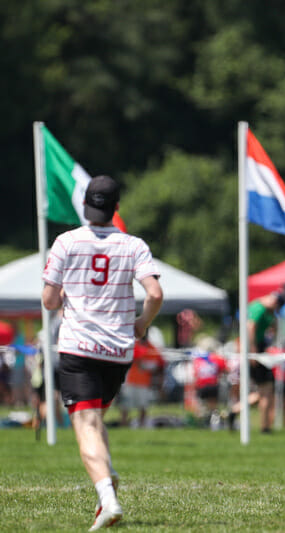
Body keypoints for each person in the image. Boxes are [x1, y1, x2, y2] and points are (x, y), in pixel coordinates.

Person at [41, 175, 163, 530]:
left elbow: (49, 301)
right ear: (117, 208)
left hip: (79, 347)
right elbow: (154, 294)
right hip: (117, 351)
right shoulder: (134, 245)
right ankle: (107, 475)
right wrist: (141, 323)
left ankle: (108, 498)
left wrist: (64, 296)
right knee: (94, 420)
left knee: (85, 424)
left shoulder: (65, 242)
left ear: (84, 206)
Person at [246, 291, 285, 433]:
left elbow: (270, 325)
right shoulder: (259, 308)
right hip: (254, 351)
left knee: (264, 390)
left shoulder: (262, 309)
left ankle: (234, 411)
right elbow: (250, 327)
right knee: (266, 390)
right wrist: (253, 351)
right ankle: (265, 427)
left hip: (257, 350)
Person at [117, 334, 164, 428]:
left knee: (143, 406)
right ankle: (123, 424)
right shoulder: (134, 345)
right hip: (131, 380)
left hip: (144, 382)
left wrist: (148, 366)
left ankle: (142, 424)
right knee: (125, 405)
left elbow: (159, 363)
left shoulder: (152, 348)